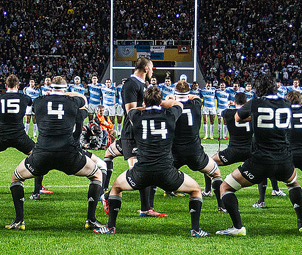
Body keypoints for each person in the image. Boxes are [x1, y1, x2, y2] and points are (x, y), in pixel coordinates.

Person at [93, 86, 209, 237]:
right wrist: (164, 102)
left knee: (115, 188)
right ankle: (196, 230)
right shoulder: (171, 114)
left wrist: (147, 106)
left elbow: (134, 109)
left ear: (144, 101)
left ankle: (110, 226)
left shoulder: (135, 115)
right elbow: (178, 105)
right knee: (195, 190)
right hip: (167, 171)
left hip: (141, 171)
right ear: (160, 101)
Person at [6, 76, 104, 231]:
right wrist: (68, 95)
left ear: (49, 89)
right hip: (68, 153)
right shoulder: (73, 102)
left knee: (16, 178)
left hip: (42, 153)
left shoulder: (38, 101)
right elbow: (83, 100)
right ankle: (91, 220)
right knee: (97, 174)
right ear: (66, 89)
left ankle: (19, 221)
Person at [217, 74, 302, 236]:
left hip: (260, 159)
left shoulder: (255, 103)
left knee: (225, 187)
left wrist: (256, 117)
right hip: (284, 158)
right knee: (294, 184)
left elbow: (238, 117)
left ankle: (238, 227)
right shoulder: (286, 103)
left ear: (259, 89)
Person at [101, 57, 165, 218]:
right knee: (139, 172)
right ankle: (107, 196)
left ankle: (146, 208)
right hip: (132, 134)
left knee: (146, 167)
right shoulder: (131, 84)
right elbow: (130, 111)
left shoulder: (144, 85)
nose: (152, 71)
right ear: (145, 68)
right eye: (151, 68)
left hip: (142, 133)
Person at [0, 74, 45, 199]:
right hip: (19, 135)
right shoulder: (25, 98)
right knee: (38, 156)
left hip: (1, 135)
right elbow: (31, 104)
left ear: (5, 85)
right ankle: (37, 191)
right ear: (18, 86)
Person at [171, 80, 223, 209]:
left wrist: (173, 97)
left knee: (156, 173)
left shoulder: (171, 106)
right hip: (194, 150)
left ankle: (148, 206)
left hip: (174, 151)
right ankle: (222, 206)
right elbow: (194, 97)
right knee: (215, 173)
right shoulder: (196, 103)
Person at [207, 92, 252, 208]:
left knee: (210, 164)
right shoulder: (252, 114)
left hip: (233, 151)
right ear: (246, 102)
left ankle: (208, 190)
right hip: (250, 151)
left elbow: (223, 112)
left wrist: (231, 105)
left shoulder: (227, 112)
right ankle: (262, 199)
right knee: (262, 168)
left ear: (235, 101)